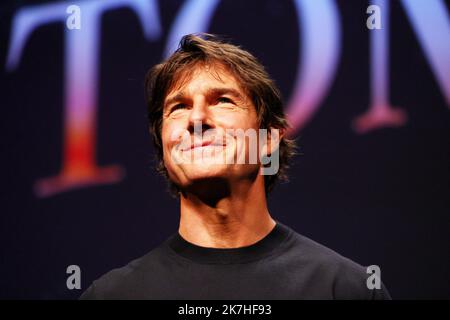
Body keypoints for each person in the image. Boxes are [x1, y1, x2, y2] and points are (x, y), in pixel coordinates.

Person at [80, 33, 390, 300]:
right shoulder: (112, 295)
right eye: (179, 107)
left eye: (223, 101)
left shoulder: (346, 289)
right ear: (164, 149)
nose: (197, 120)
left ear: (268, 140)